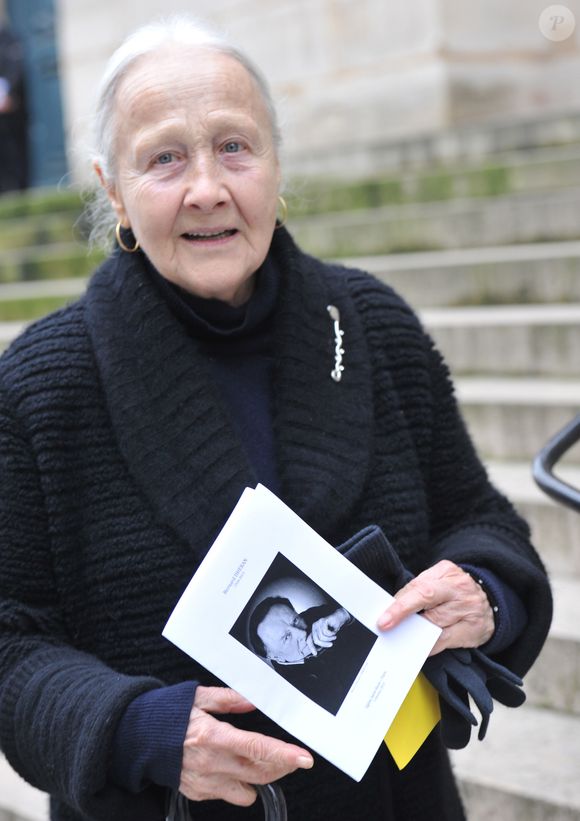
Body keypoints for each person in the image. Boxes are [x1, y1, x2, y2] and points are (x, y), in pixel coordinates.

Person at [0, 14, 552, 821]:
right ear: (111, 188)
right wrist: (136, 728)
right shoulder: (40, 384)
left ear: (275, 164)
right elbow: (11, 639)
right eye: (164, 157)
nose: (208, 188)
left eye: (235, 146)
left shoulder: (372, 322)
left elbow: (480, 518)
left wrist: (486, 591)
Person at [250, 597, 376, 715]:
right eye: (286, 637)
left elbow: (371, 606)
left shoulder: (318, 615)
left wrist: (344, 615)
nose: (301, 633)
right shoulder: (287, 694)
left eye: (295, 620)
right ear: (273, 656)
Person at [0, 22, 27, 192]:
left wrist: (6, 94)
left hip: (10, 115)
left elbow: (15, 69)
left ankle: (17, 191)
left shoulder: (7, 38)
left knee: (14, 156)